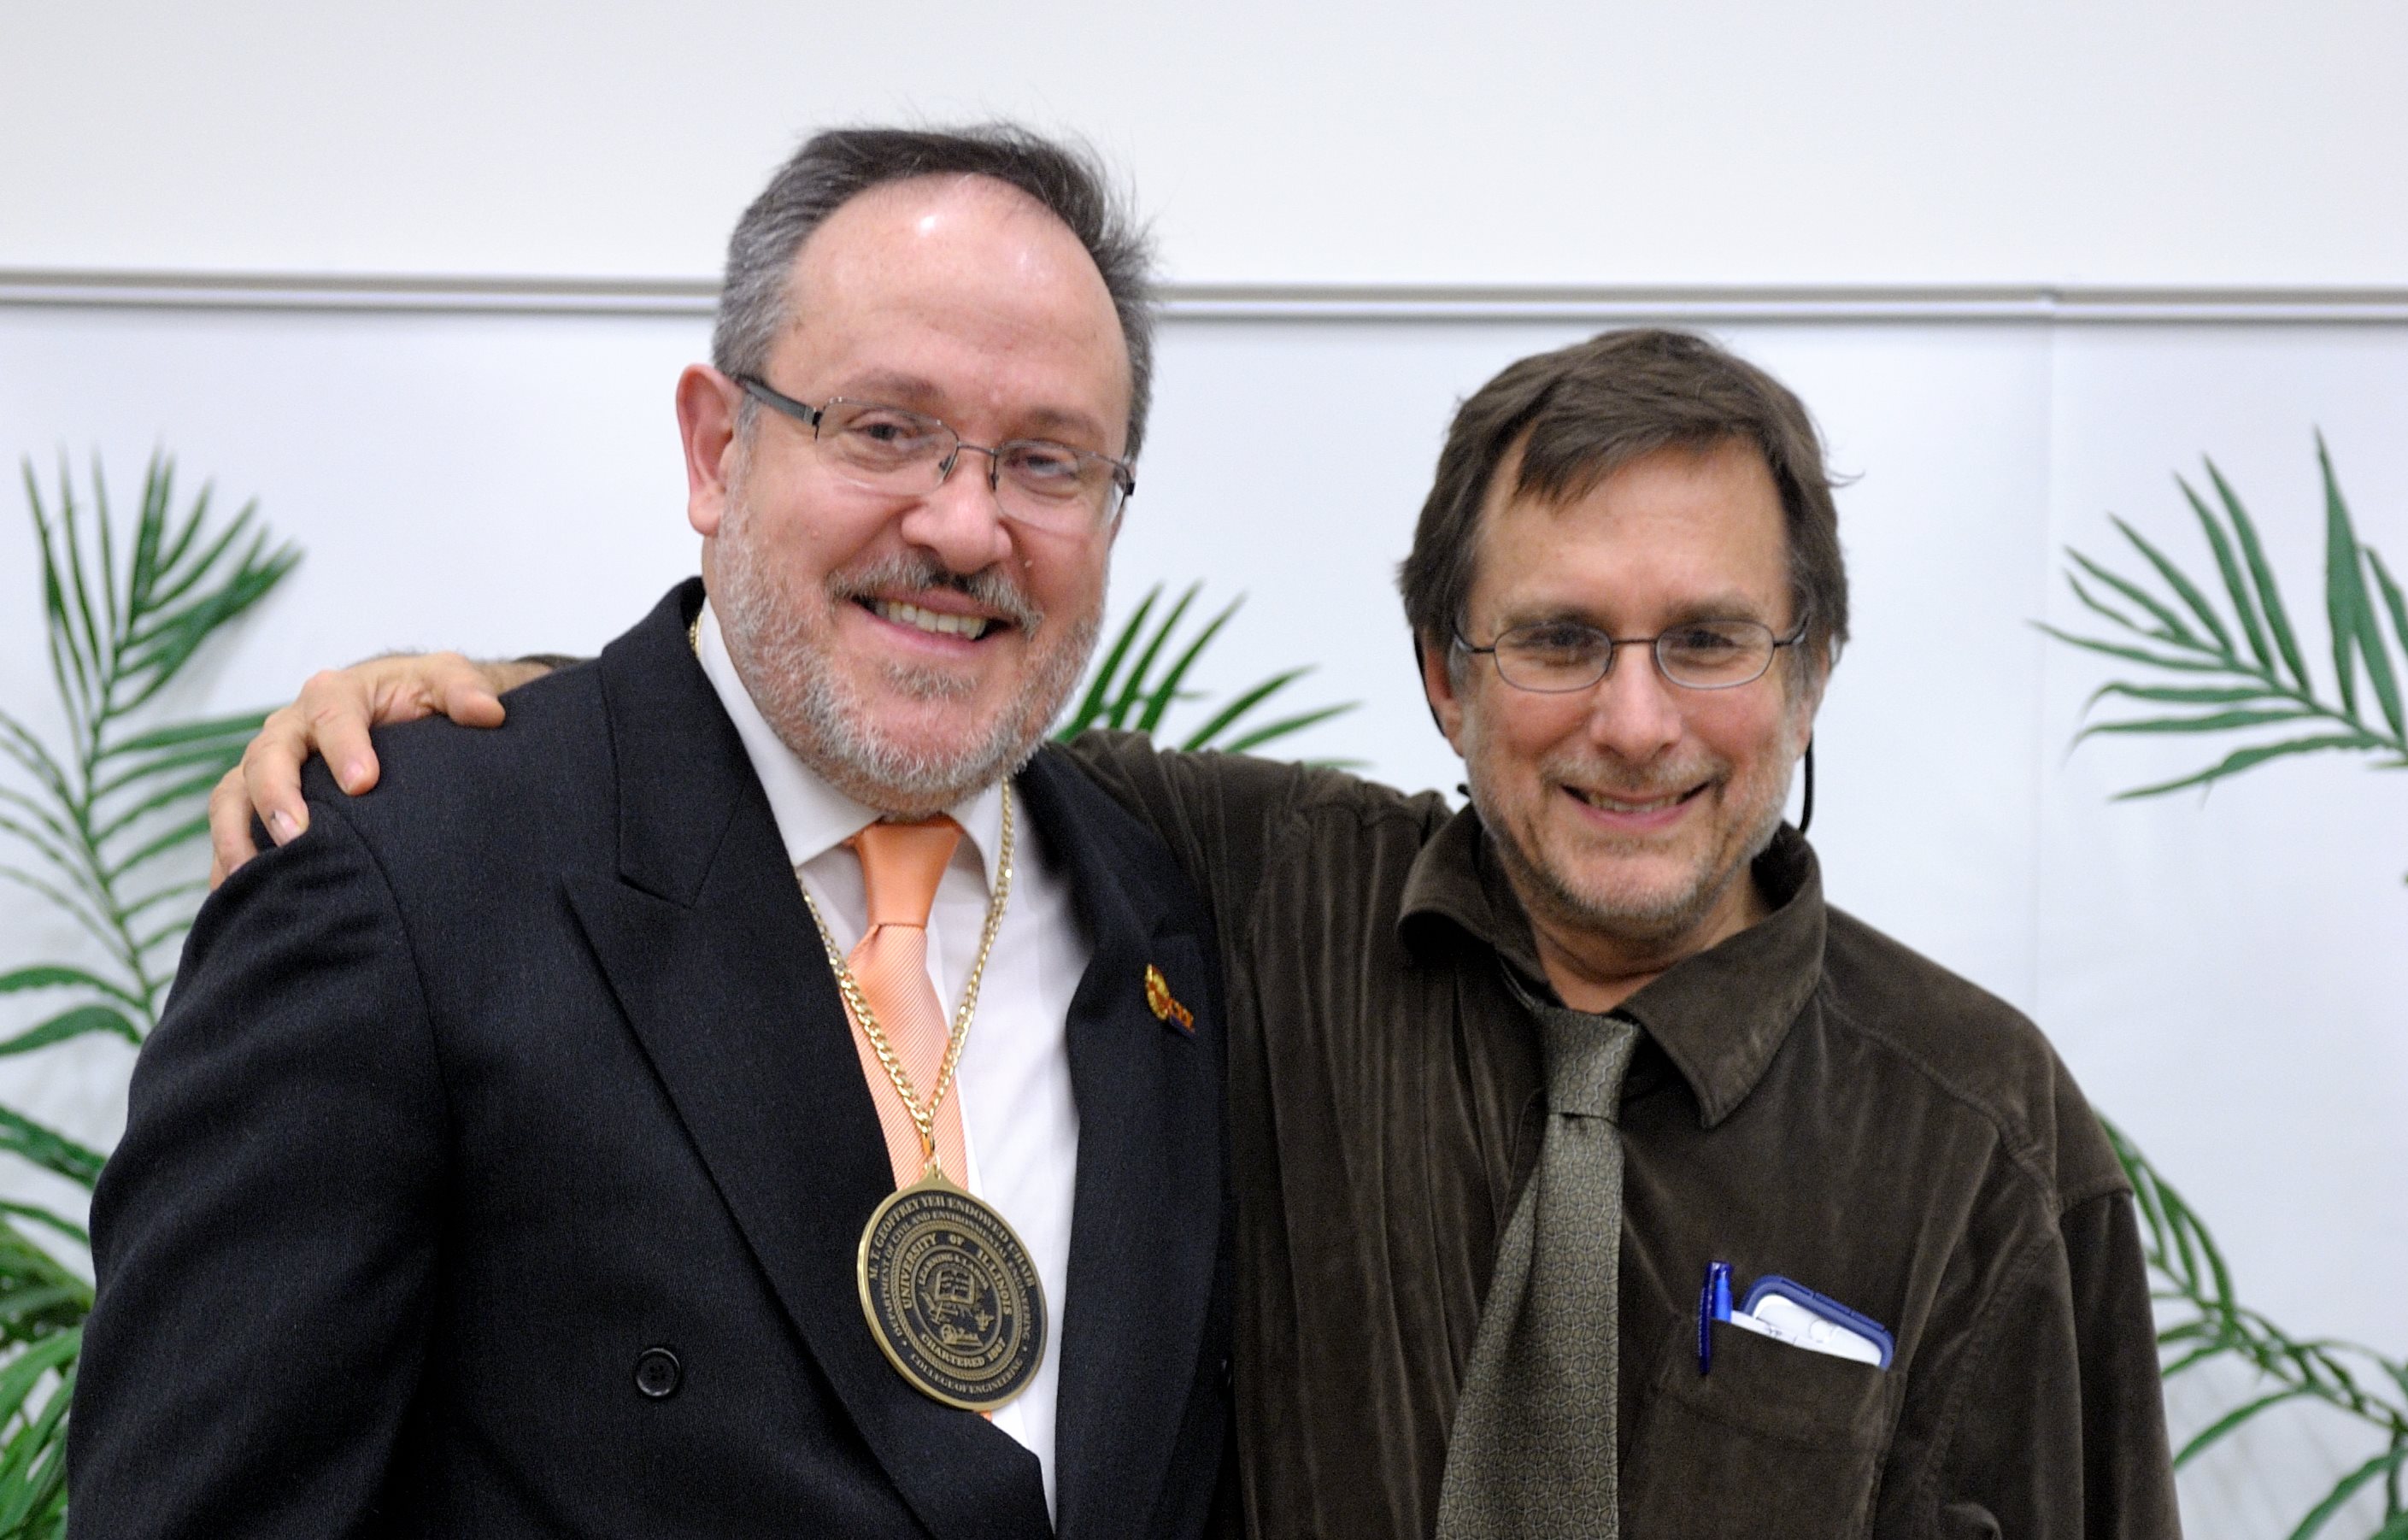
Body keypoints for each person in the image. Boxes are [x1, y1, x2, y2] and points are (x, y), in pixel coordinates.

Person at [211, 327, 2185, 1531]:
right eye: (1557, 640)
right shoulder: (1243, 890)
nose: (1636, 719)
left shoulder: (1979, 1131)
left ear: (1811, 667)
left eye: (1709, 642)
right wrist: (481, 714)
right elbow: (875, 715)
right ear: (1439, 669)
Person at [70, 126, 1236, 1540]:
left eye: (1048, 463)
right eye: (883, 430)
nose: (964, 524)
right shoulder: (403, 877)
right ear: (714, 445)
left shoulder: (1168, 915)